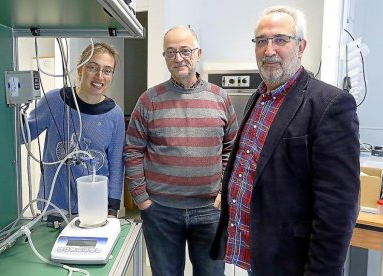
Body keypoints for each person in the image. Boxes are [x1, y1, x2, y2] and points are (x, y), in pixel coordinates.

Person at [210, 6, 360, 276]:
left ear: (301, 46)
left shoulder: (330, 105)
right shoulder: (258, 98)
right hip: (260, 255)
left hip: (293, 263)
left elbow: (337, 212)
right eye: (261, 41)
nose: (269, 50)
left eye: (280, 40)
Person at [124, 26, 238, 276]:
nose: (178, 58)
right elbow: (132, 150)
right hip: (161, 211)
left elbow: (232, 149)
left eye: (185, 51)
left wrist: (224, 190)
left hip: (210, 210)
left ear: (198, 53)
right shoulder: (149, 100)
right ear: (164, 57)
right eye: (170, 52)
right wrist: (141, 198)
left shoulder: (221, 98)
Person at [22, 42, 125, 218]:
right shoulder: (55, 101)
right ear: (79, 70)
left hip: (95, 206)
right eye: (92, 67)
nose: (99, 76)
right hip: (54, 206)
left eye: (107, 70)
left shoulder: (114, 114)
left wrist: (112, 208)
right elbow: (22, 135)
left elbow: (116, 164)